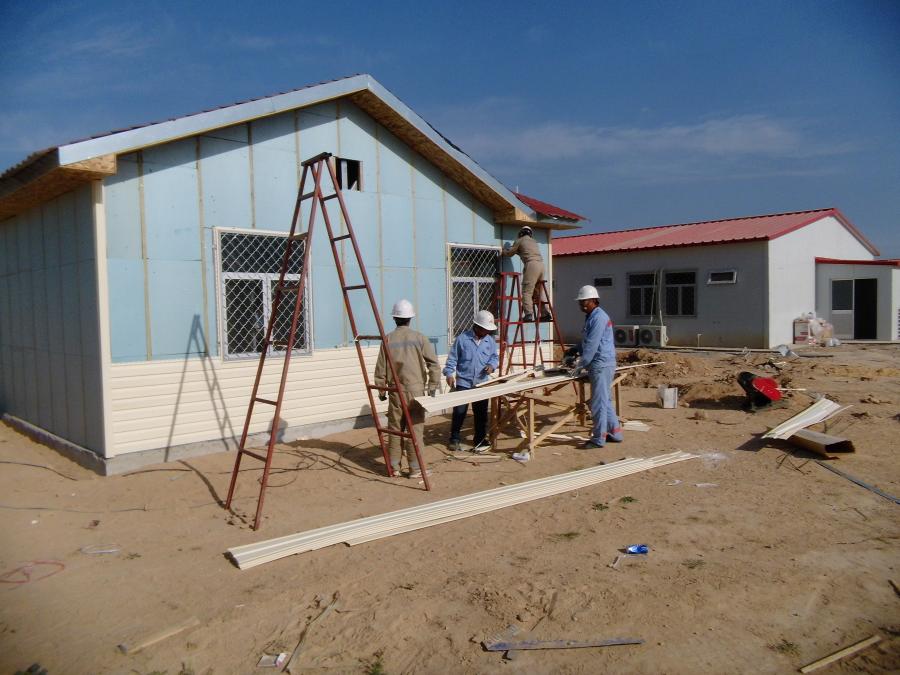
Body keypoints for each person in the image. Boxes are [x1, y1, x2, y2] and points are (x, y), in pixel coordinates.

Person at [374, 299, 441, 478]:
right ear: (410, 318)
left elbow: (381, 367)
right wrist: (433, 386)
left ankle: (394, 467)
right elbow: (433, 364)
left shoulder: (387, 339)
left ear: (394, 318)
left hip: (395, 391)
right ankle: (415, 469)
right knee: (415, 429)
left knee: (395, 429)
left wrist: (381, 389)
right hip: (415, 392)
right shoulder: (419, 338)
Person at [564, 285, 623, 448]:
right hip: (602, 363)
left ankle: (598, 439)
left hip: (601, 364)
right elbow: (587, 342)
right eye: (580, 302)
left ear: (594, 301)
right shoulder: (592, 316)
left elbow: (591, 346)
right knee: (605, 400)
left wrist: (578, 366)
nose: (582, 305)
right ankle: (616, 432)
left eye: (585, 302)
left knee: (597, 403)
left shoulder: (598, 318)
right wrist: (576, 349)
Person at [443, 310, 499, 453]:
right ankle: (454, 439)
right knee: (459, 412)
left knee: (481, 414)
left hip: (481, 383)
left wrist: (491, 366)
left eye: (488, 330)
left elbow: (494, 357)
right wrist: (449, 373)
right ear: (477, 326)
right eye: (485, 329)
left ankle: (479, 439)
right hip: (464, 383)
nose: (487, 332)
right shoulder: (462, 339)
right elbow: (452, 359)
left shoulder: (489, 341)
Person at [502, 225, 550, 322]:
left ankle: (528, 314)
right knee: (537, 292)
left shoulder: (520, 240)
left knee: (527, 291)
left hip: (531, 265)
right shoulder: (534, 241)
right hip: (541, 266)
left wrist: (503, 251)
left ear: (521, 233)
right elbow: (525, 251)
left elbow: (510, 253)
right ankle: (545, 314)